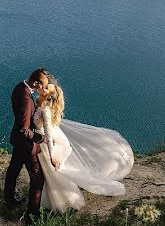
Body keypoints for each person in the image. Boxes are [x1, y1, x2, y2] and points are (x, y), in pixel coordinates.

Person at [34, 78, 133, 212]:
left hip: (46, 145)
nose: (43, 87)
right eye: (45, 85)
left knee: (52, 173)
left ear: (48, 96)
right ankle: (51, 200)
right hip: (41, 141)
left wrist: (52, 156)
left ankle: (63, 202)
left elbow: (48, 134)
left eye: (46, 88)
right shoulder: (39, 102)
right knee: (49, 175)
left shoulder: (45, 110)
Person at [3, 68, 50, 225]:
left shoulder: (20, 87)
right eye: (42, 85)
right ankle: (32, 217)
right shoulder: (25, 99)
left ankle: (9, 201)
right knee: (37, 179)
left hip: (17, 141)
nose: (43, 89)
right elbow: (25, 129)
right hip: (26, 145)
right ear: (35, 83)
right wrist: (40, 138)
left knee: (13, 171)